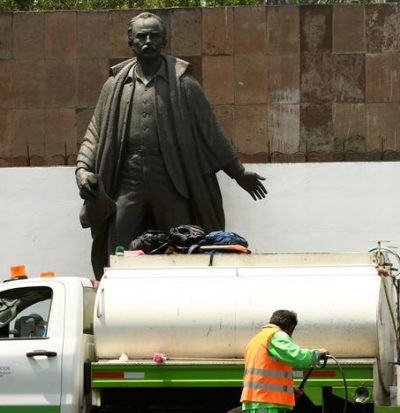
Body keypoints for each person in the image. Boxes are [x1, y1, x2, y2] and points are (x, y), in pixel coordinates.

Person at [75, 12, 267, 279]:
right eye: (141, 36)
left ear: (164, 39)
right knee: (118, 244)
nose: (148, 41)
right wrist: (83, 169)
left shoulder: (184, 83)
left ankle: (186, 299)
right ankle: (117, 297)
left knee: (183, 240)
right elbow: (94, 132)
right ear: (130, 41)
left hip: (171, 177)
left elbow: (211, 132)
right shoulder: (114, 85)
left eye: (154, 35)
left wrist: (237, 172)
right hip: (127, 180)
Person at [241, 310, 328, 413]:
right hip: (264, 402)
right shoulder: (276, 336)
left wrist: (289, 389)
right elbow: (296, 356)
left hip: (256, 401)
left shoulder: (258, 339)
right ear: (291, 328)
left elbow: (264, 373)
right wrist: (317, 354)